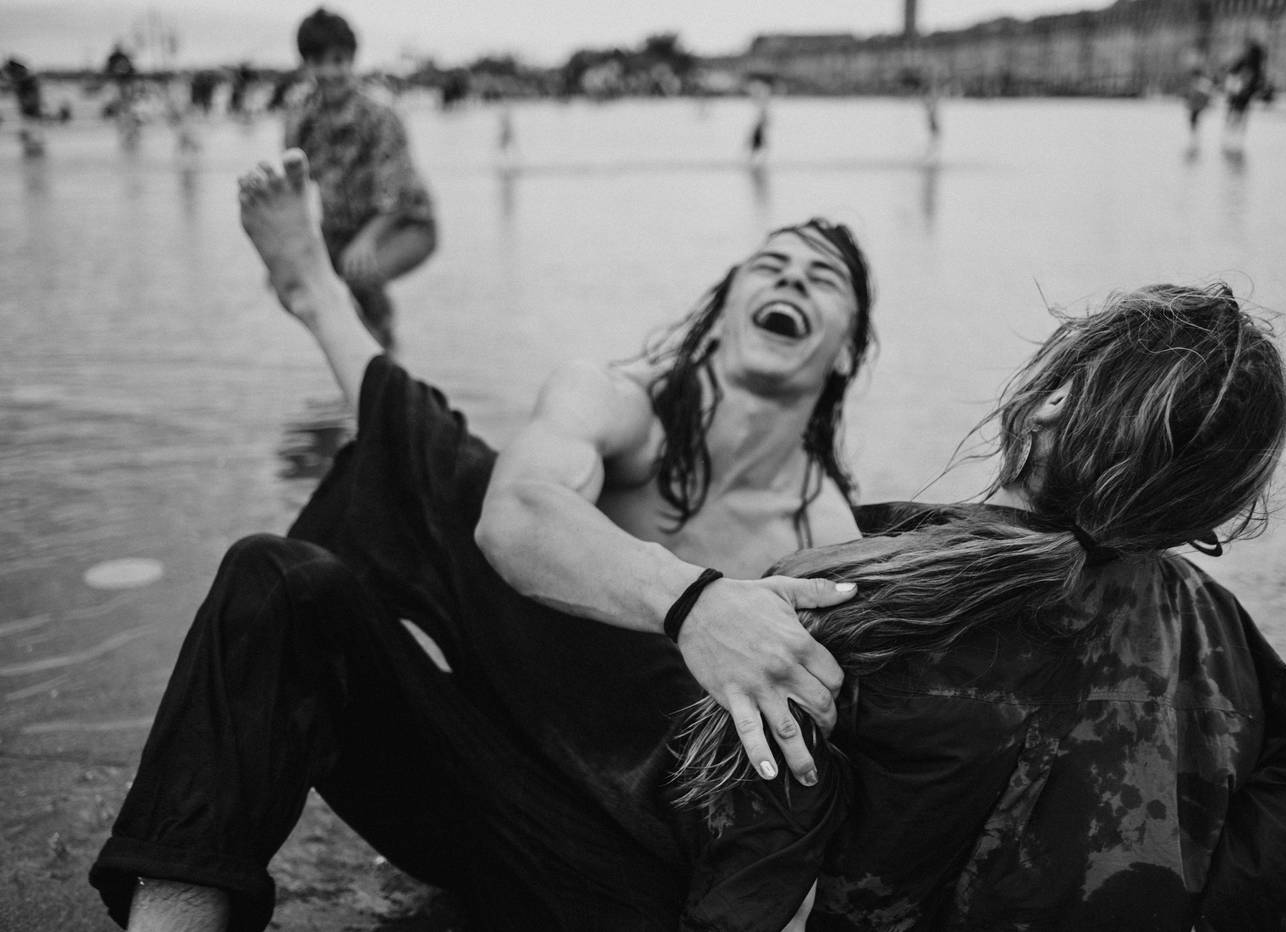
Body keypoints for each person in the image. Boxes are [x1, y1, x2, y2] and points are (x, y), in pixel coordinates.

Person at [89, 148, 875, 931]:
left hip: (624, 875)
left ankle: (325, 305)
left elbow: (828, 779)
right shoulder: (617, 404)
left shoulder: (832, 540)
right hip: (466, 788)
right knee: (279, 577)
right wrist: (696, 605)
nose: (792, 279)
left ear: (843, 349)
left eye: (823, 277)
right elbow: (513, 518)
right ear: (724, 307)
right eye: (769, 264)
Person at [675, 283, 1286, 929]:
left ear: (1054, 398)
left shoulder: (848, 600)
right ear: (1204, 502)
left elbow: (745, 880)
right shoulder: (1214, 622)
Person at [283, 8, 437, 353]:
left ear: (351, 60)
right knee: (289, 283)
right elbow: (293, 187)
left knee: (360, 273)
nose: (329, 72)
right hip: (339, 230)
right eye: (318, 62)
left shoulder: (380, 116)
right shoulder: (302, 119)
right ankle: (359, 345)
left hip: (405, 225)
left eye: (338, 61)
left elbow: (395, 195)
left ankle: (385, 343)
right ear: (306, 65)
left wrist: (367, 240)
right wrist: (287, 250)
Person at [1223, 40, 1267, 152]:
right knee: (1241, 114)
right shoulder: (1257, 65)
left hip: (1238, 92)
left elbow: (1231, 71)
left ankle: (1230, 135)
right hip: (1245, 94)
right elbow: (1259, 82)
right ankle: (1236, 137)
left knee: (1233, 113)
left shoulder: (1244, 61)